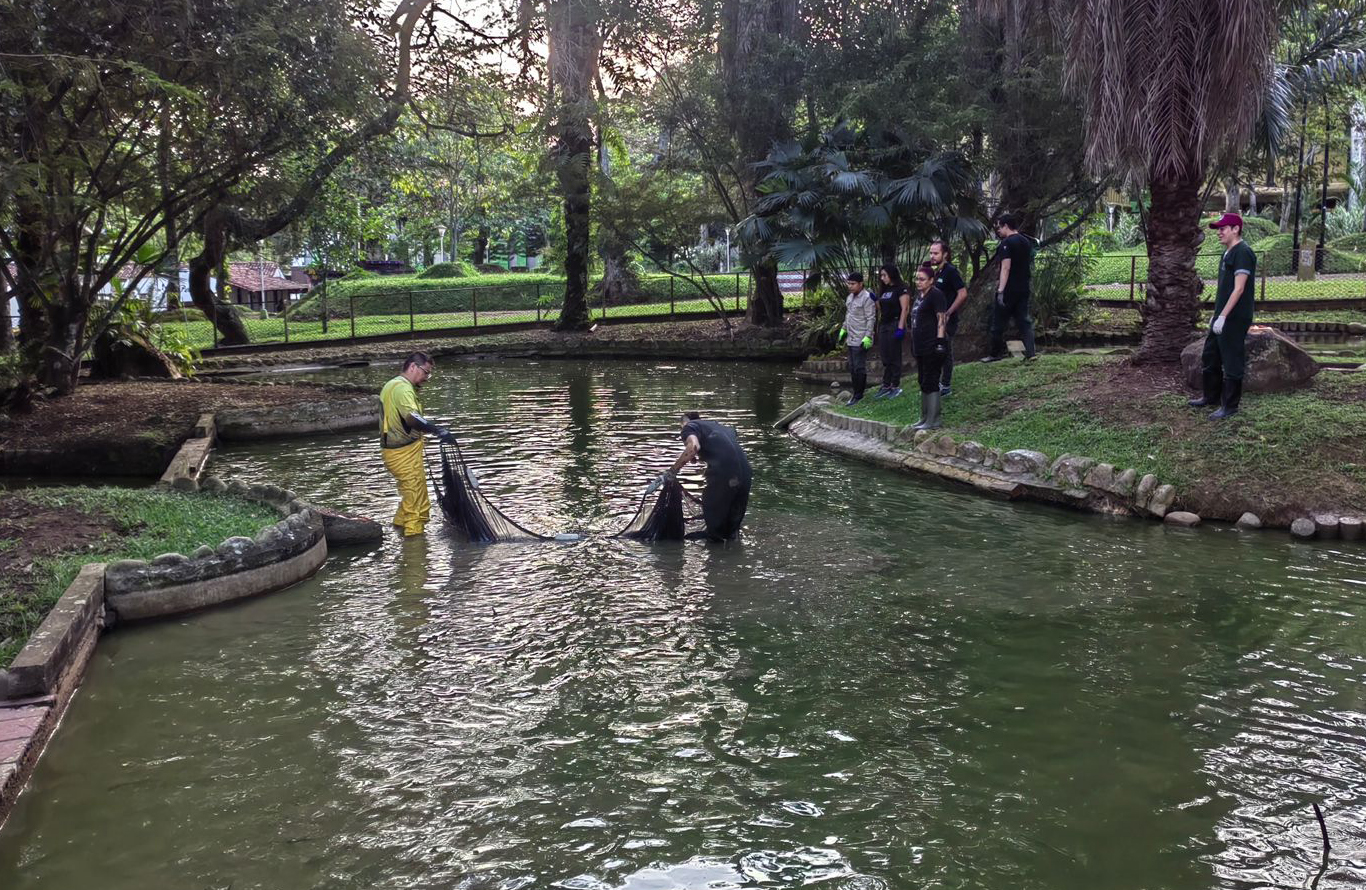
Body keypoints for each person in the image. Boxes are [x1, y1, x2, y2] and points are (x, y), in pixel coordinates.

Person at [1188, 212, 1255, 420]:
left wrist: (1224, 316)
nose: (1219, 232)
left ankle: (1230, 406)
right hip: (1222, 315)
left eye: (1223, 228)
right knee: (1210, 354)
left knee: (1232, 359)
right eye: (1218, 229)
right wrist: (1216, 315)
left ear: (1236, 229)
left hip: (1235, 317)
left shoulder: (1243, 252)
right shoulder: (1227, 253)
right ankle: (1211, 396)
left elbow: (1239, 289)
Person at [379, 352, 453, 536]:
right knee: (418, 506)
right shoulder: (403, 389)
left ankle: (397, 530)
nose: (427, 378)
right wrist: (437, 430)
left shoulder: (392, 384)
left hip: (399, 452)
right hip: (402, 454)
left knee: (411, 496)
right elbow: (412, 418)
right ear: (412, 367)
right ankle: (415, 552)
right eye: (425, 372)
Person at [656, 412, 752, 542]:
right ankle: (734, 555)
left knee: (713, 524)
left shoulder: (689, 426)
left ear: (684, 423)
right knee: (732, 530)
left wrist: (672, 471)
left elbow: (693, 447)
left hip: (726, 475)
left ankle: (716, 557)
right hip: (745, 475)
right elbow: (726, 449)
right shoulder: (719, 427)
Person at [981, 212, 1037, 363]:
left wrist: (1000, 290)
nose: (998, 230)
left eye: (999, 227)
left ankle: (994, 353)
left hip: (1009, 289)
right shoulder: (1026, 241)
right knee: (1024, 321)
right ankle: (1031, 353)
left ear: (1006, 226)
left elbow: (1005, 268)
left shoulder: (1006, 243)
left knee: (998, 322)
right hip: (1024, 287)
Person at [909, 263, 950, 430]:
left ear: (931, 280)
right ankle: (924, 417)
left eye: (922, 279)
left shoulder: (936, 295)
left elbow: (941, 318)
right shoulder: (920, 296)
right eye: (917, 279)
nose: (919, 282)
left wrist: (940, 342)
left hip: (932, 344)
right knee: (922, 381)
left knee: (931, 380)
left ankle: (934, 419)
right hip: (919, 345)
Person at [927, 239, 968, 395]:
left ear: (945, 254)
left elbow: (962, 293)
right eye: (931, 253)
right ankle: (936, 382)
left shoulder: (951, 271)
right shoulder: (937, 272)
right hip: (933, 320)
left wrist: (949, 312)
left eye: (936, 253)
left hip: (946, 320)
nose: (932, 256)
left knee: (944, 350)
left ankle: (946, 385)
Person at [838, 271, 877, 404]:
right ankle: (856, 393)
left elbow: (871, 318)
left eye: (853, 284)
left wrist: (868, 336)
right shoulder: (850, 297)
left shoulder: (867, 298)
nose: (850, 286)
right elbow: (848, 315)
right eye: (849, 283)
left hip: (861, 338)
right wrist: (843, 329)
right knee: (853, 367)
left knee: (859, 367)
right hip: (851, 337)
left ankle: (859, 395)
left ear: (861, 284)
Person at [874, 264, 911, 397]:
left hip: (895, 323)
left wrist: (900, 328)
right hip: (884, 324)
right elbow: (881, 308)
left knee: (894, 355)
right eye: (881, 276)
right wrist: (875, 300)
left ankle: (895, 384)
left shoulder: (901, 289)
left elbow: (904, 309)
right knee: (885, 355)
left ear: (892, 274)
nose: (882, 278)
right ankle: (886, 384)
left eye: (884, 275)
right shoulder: (884, 290)